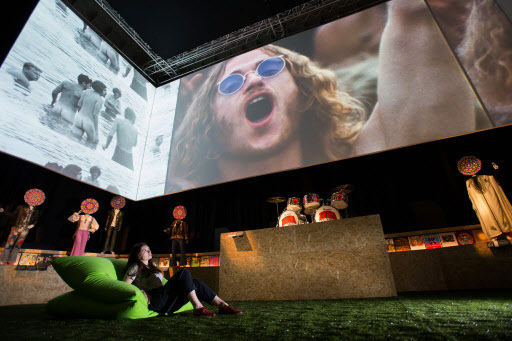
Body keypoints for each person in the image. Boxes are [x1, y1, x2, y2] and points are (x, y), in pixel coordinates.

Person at [166, 0, 481, 192]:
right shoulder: (176, 185)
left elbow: (416, 16)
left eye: (271, 67)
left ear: (302, 95)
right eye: (231, 83)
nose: (253, 79)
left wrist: (419, 12)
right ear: (208, 123)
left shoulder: (367, 152)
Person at [123, 243, 242, 316]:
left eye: (149, 249)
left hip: (166, 300)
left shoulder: (153, 267)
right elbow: (124, 285)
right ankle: (198, 307)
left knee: (196, 282)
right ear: (138, 255)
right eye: (145, 250)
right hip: (156, 301)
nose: (149, 251)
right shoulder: (136, 266)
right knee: (184, 272)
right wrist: (141, 291)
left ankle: (222, 306)